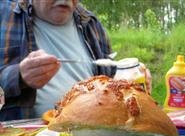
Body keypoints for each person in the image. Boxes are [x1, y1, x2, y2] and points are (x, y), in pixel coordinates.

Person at [0, 0, 151, 121]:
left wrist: (128, 80)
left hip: (89, 131)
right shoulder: (5, 14)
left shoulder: (91, 23)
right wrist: (18, 75)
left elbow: (109, 78)